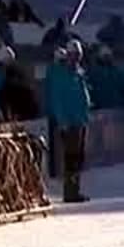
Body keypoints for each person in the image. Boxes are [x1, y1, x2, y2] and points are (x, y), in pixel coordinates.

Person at [44, 40, 91, 204]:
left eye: (78, 55)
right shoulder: (61, 75)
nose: (76, 58)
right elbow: (58, 99)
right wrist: (62, 120)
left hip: (80, 121)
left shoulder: (78, 74)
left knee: (78, 157)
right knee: (71, 157)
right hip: (70, 123)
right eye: (73, 55)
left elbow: (82, 97)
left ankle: (75, 189)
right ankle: (70, 192)